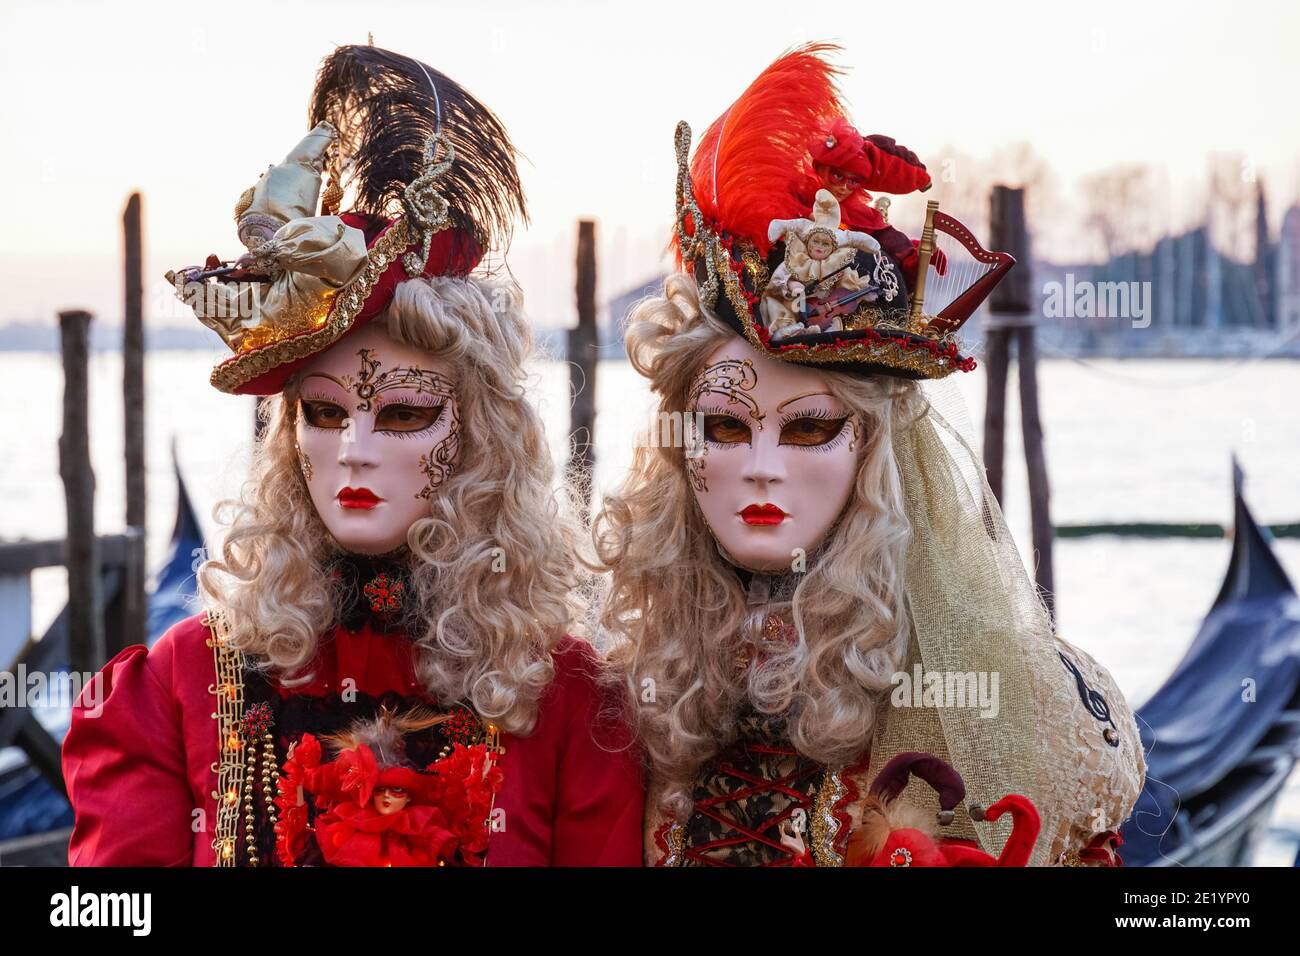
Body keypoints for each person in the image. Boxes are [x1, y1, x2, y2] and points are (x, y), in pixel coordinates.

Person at [61, 44, 642, 867]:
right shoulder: (178, 687)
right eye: (325, 414)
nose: (355, 452)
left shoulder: (571, 701)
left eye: (404, 413)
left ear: (480, 435)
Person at [590, 44, 1143, 867]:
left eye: (809, 427)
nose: (762, 466)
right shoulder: (627, 679)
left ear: (875, 449)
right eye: (725, 429)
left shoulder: (995, 699)